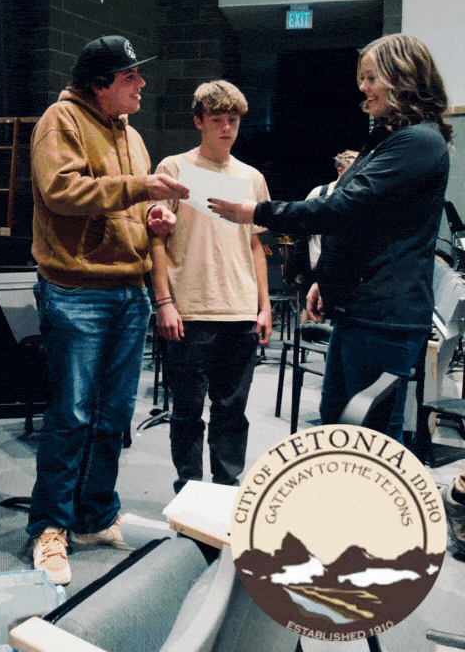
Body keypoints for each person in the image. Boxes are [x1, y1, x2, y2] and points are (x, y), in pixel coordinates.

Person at [209, 34, 451, 442]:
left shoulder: (418, 142)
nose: (363, 88)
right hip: (362, 310)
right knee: (338, 425)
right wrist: (327, 279)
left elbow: (343, 208)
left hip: (382, 317)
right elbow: (364, 222)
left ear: (402, 77)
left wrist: (257, 211)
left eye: (371, 78)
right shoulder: (391, 140)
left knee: (368, 440)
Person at [26, 35, 188, 585]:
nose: (141, 83)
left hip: (128, 289)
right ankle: (50, 526)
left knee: (114, 416)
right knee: (71, 416)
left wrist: (153, 219)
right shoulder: (60, 120)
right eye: (130, 76)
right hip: (76, 290)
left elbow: (126, 204)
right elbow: (62, 191)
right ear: (100, 84)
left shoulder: (131, 135)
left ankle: (95, 516)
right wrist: (141, 189)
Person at [150, 80, 271, 492]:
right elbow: (155, 239)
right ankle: (188, 491)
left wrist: (264, 306)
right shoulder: (174, 168)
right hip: (190, 310)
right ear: (198, 121)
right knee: (186, 411)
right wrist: (164, 301)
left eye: (232, 120)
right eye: (217, 120)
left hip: (239, 310)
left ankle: (224, 490)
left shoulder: (251, 177)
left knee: (232, 410)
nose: (226, 128)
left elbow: (254, 245)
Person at [304, 150, 358, 268]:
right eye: (354, 171)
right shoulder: (320, 192)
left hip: (350, 263)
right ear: (340, 171)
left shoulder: (358, 194)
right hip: (318, 260)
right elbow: (301, 220)